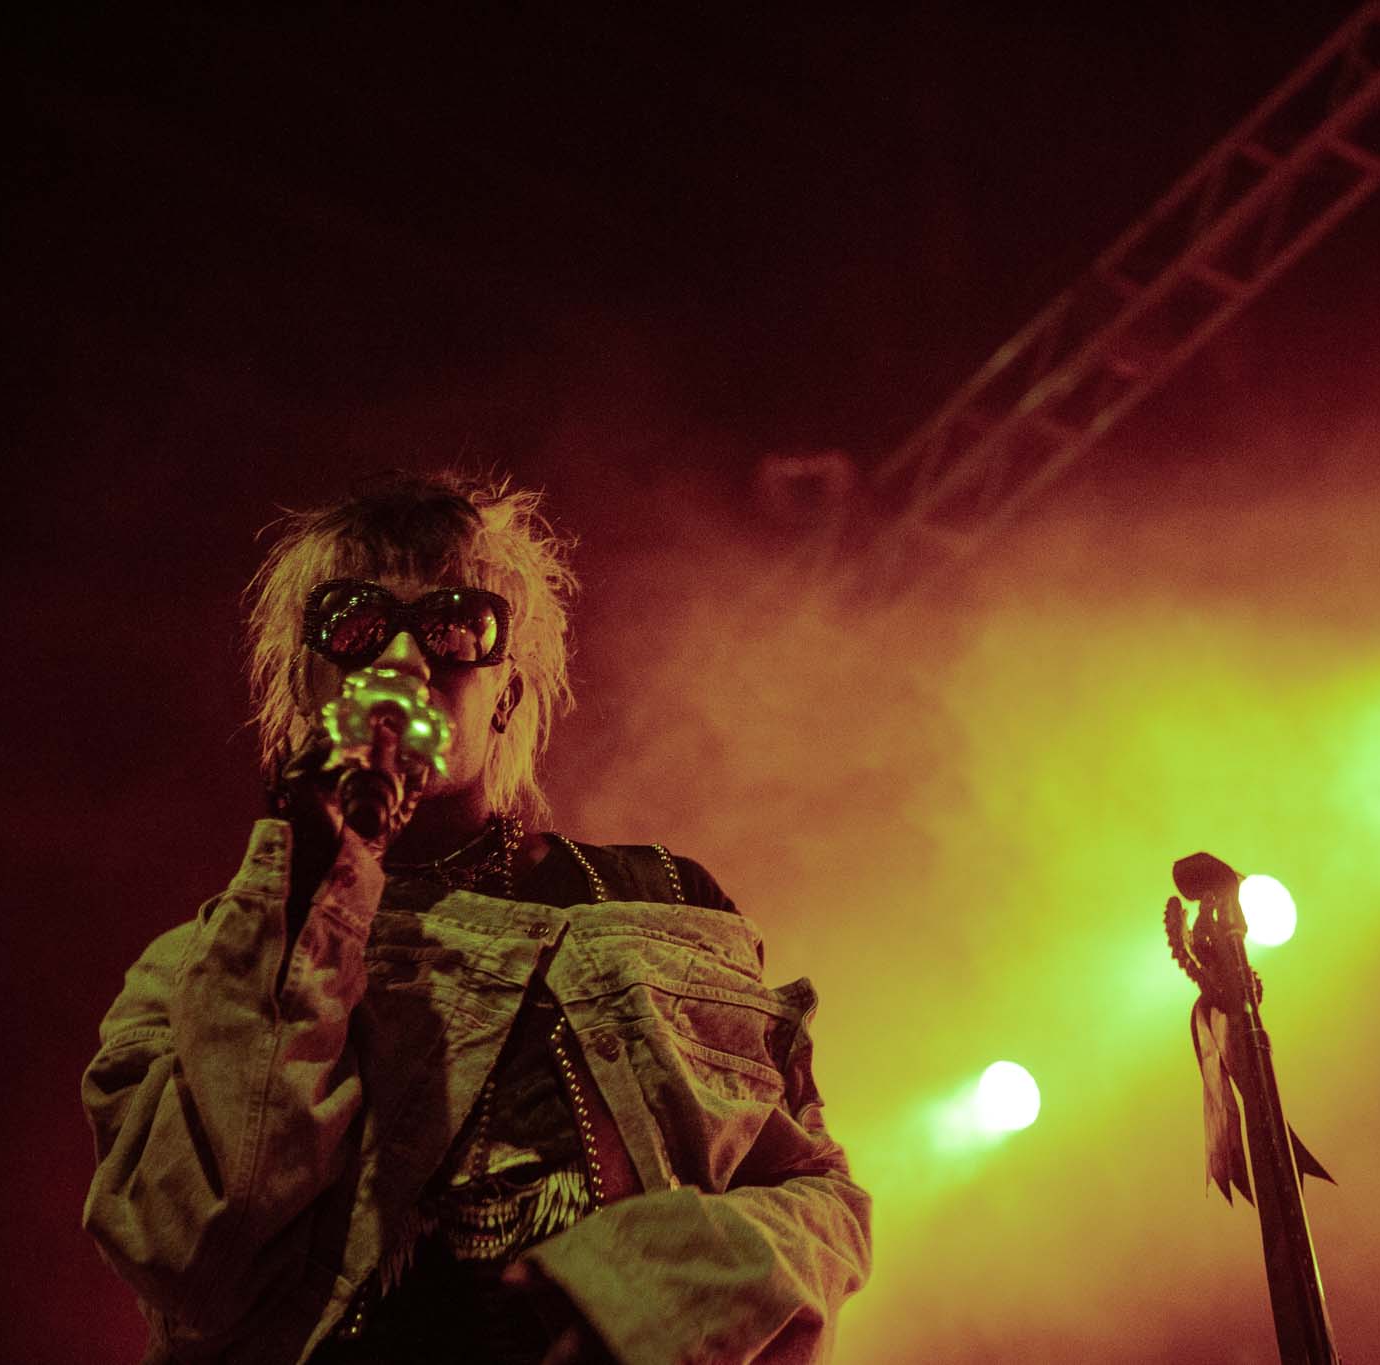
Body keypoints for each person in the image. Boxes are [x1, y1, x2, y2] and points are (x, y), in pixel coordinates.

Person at [81, 472, 871, 1364]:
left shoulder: (662, 898)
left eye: (457, 625)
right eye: (356, 625)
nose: (405, 663)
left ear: (507, 692)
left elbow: (823, 1209)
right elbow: (191, 1255)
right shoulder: (187, 975)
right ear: (309, 684)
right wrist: (311, 877)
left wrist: (624, 1291)